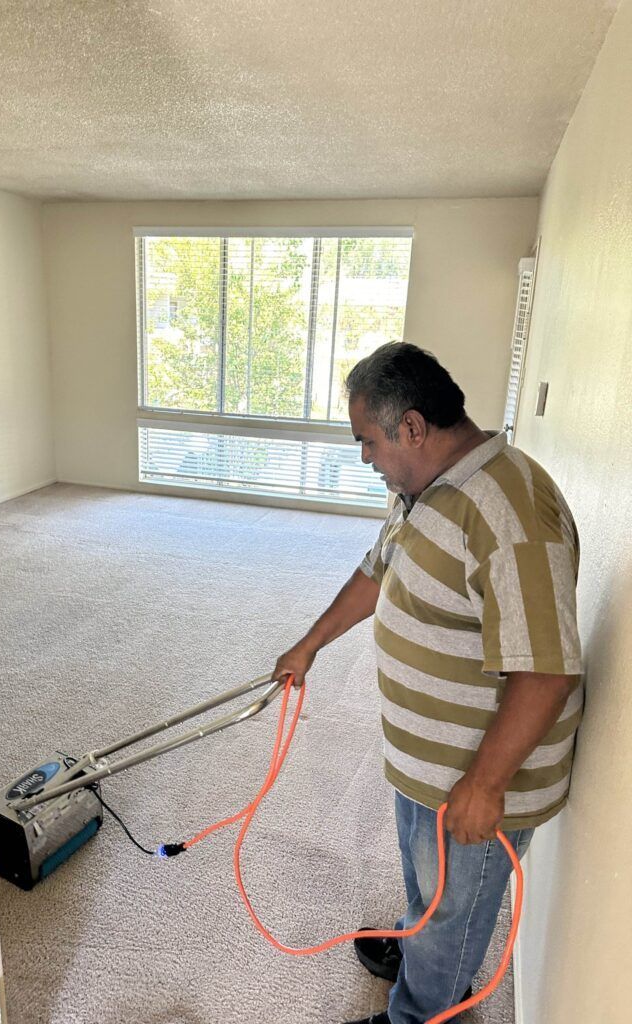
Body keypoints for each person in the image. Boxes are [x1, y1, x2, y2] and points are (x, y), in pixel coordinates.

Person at [272, 342, 582, 1024]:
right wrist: (310, 643)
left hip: (480, 774)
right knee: (427, 882)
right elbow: (378, 568)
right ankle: (424, 954)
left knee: (453, 910)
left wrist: (485, 785)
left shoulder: (511, 513)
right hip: (427, 760)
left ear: (411, 427)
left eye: (368, 441)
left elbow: (547, 670)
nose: (365, 458)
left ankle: (420, 1009)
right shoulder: (423, 488)